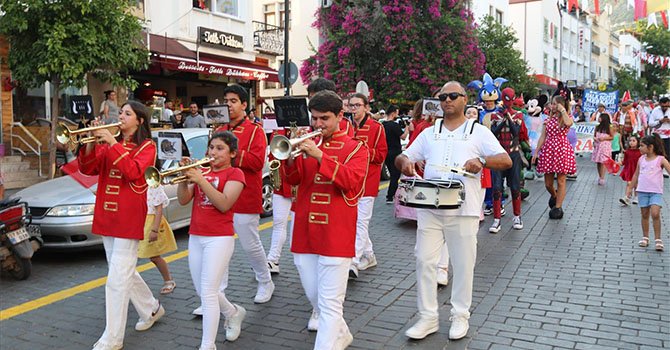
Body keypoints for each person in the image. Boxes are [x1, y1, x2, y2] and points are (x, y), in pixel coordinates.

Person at [395, 81, 511, 341]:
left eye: (453, 96)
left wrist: (481, 161)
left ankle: (460, 316)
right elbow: (404, 156)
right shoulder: (429, 132)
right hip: (430, 208)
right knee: (424, 261)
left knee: (463, 264)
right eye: (443, 96)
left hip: (464, 209)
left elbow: (505, 159)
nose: (447, 100)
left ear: (464, 99)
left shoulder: (478, 131)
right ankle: (427, 317)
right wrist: (404, 162)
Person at [282, 90, 368, 349]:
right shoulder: (307, 142)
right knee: (316, 298)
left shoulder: (356, 149)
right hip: (305, 231)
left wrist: (320, 156)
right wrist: (289, 159)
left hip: (335, 233)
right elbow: (294, 181)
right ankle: (341, 333)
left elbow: (352, 183)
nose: (318, 125)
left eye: (325, 119)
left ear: (341, 116)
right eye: (315, 118)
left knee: (330, 305)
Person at [78, 100, 164, 350]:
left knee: (116, 279)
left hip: (128, 217)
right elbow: (88, 168)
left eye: (128, 114)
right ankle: (151, 309)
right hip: (107, 215)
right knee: (123, 271)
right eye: (121, 113)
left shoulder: (147, 147)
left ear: (140, 121)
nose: (122, 117)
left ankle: (113, 339)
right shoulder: (108, 144)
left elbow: (133, 172)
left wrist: (112, 143)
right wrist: (92, 141)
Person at [177, 131, 247, 349]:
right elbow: (182, 200)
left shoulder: (235, 174)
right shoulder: (203, 171)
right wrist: (184, 176)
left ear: (232, 153)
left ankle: (208, 344)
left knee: (207, 292)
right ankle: (233, 312)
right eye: (211, 147)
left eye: (220, 149)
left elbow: (224, 203)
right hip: (196, 235)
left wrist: (200, 179)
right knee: (204, 290)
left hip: (219, 238)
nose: (213, 152)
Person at [214, 84, 274, 304]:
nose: (228, 105)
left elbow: (258, 162)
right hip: (220, 195)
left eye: (233, 101)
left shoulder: (256, 130)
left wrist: (230, 153)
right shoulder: (219, 130)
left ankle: (265, 280)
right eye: (226, 101)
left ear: (244, 104)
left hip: (245, 195)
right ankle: (217, 294)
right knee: (220, 247)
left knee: (250, 244)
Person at [348, 93, 388, 279]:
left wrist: (361, 150)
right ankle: (369, 255)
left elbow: (381, 155)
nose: (353, 109)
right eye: (351, 106)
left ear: (366, 107)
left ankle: (353, 261)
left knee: (361, 221)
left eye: (357, 105)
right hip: (350, 181)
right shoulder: (347, 126)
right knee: (355, 220)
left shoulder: (377, 127)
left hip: (368, 181)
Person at [489, 87, 527, 233]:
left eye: (510, 98)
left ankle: (517, 216)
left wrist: (508, 117)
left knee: (516, 187)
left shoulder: (518, 115)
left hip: (513, 154)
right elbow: (494, 133)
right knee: (497, 187)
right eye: (506, 98)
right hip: (498, 154)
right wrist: (503, 118)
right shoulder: (494, 116)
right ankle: (497, 219)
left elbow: (516, 132)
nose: (508, 102)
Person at [531, 95, 576, 219]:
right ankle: (555, 195)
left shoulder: (567, 117)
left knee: (561, 180)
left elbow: (568, 123)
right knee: (548, 184)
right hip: (549, 149)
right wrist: (536, 152)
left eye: (555, 104)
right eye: (552, 104)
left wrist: (562, 110)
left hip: (562, 149)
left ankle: (558, 207)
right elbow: (543, 136)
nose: (553, 106)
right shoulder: (548, 119)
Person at [629, 134, 670, 252]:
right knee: (645, 214)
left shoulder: (661, 159)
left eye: (642, 146)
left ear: (650, 147)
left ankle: (658, 239)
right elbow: (636, 174)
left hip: (655, 191)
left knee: (655, 213)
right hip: (642, 190)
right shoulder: (641, 159)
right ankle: (645, 237)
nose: (639, 148)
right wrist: (630, 189)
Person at [137, 184, 178, 295]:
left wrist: (154, 229)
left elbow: (159, 209)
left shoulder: (154, 185)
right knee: (130, 256)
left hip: (150, 222)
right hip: (136, 220)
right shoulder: (133, 183)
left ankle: (168, 280)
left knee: (154, 256)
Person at [382, 105, 408, 204]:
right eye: (397, 113)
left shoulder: (382, 124)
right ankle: (390, 196)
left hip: (386, 152)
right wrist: (406, 128)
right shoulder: (394, 125)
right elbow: (404, 137)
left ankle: (391, 195)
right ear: (393, 113)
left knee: (392, 174)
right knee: (395, 175)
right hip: (395, 153)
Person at [647, 96, 670, 177]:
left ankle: (665, 170)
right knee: (657, 152)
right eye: (663, 106)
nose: (665, 108)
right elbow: (650, 123)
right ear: (660, 104)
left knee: (667, 153)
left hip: (668, 136)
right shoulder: (655, 111)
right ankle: (655, 168)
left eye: (666, 106)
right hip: (657, 136)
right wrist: (660, 121)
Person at [591, 113, 614, 186]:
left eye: (600, 117)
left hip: (605, 146)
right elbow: (594, 135)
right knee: (598, 161)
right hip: (598, 145)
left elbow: (612, 137)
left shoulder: (609, 127)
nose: (599, 118)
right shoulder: (597, 127)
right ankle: (600, 175)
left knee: (603, 161)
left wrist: (604, 138)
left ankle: (602, 177)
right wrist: (595, 139)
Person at [619, 135, 642, 206]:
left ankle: (636, 196)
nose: (631, 142)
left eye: (633, 141)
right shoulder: (627, 152)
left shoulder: (640, 152)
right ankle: (627, 197)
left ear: (638, 142)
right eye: (630, 141)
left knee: (636, 184)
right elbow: (625, 161)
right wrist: (621, 163)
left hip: (636, 169)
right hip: (629, 169)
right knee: (629, 183)